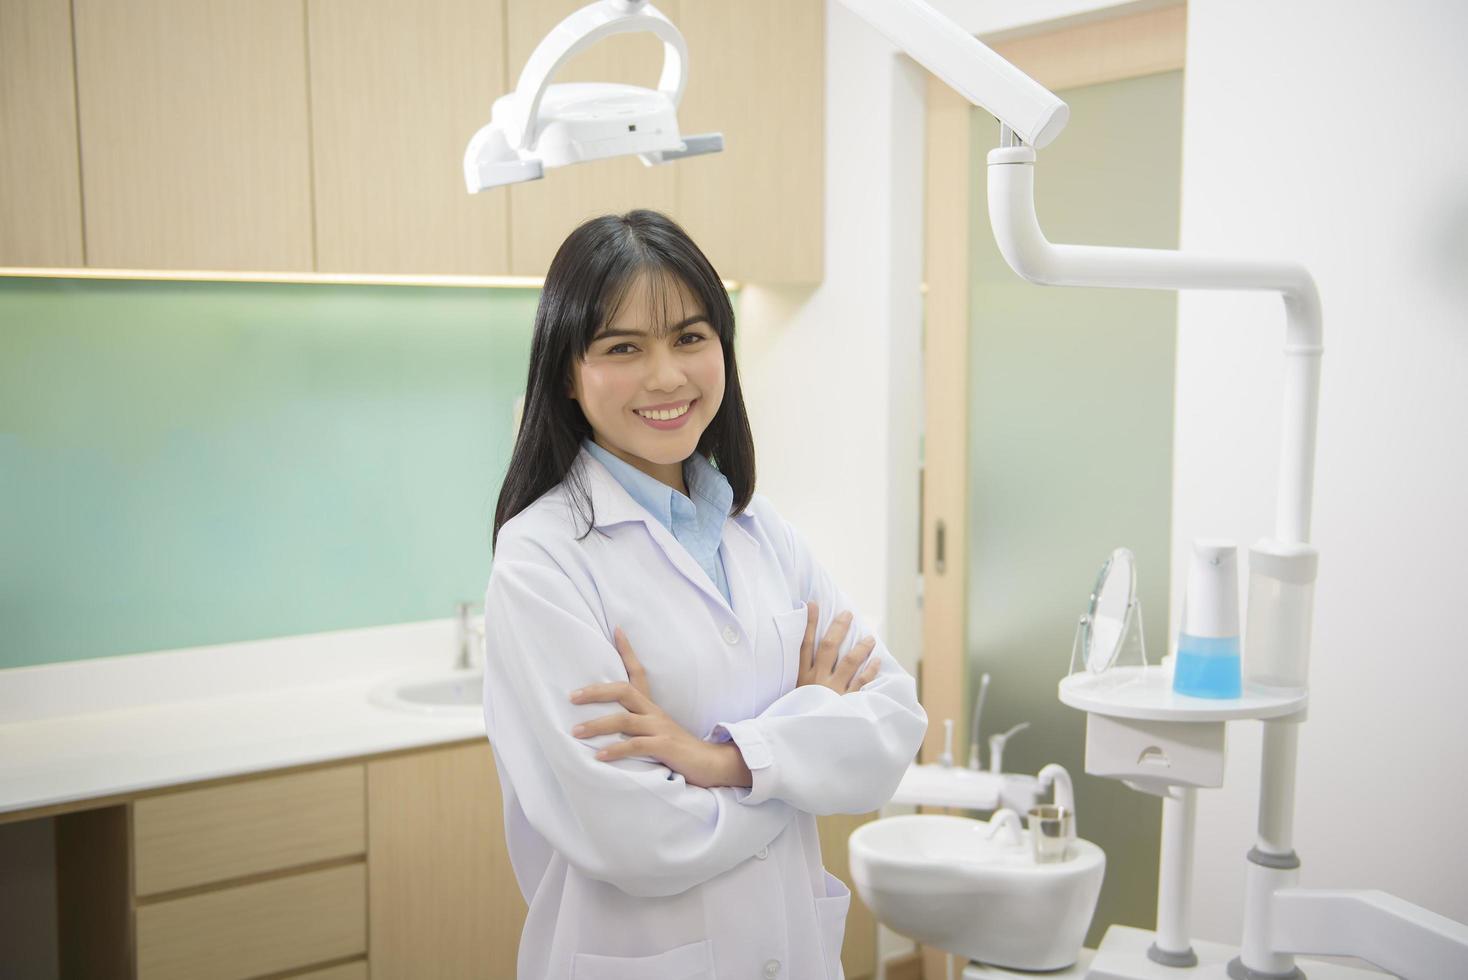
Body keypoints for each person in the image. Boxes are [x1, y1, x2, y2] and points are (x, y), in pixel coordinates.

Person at [483, 209, 928, 980]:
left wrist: (715, 761)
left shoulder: (765, 536)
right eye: (624, 347)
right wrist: (799, 762)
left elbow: (892, 726)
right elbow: (635, 836)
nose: (666, 376)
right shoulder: (541, 559)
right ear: (567, 372)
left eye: (690, 337)